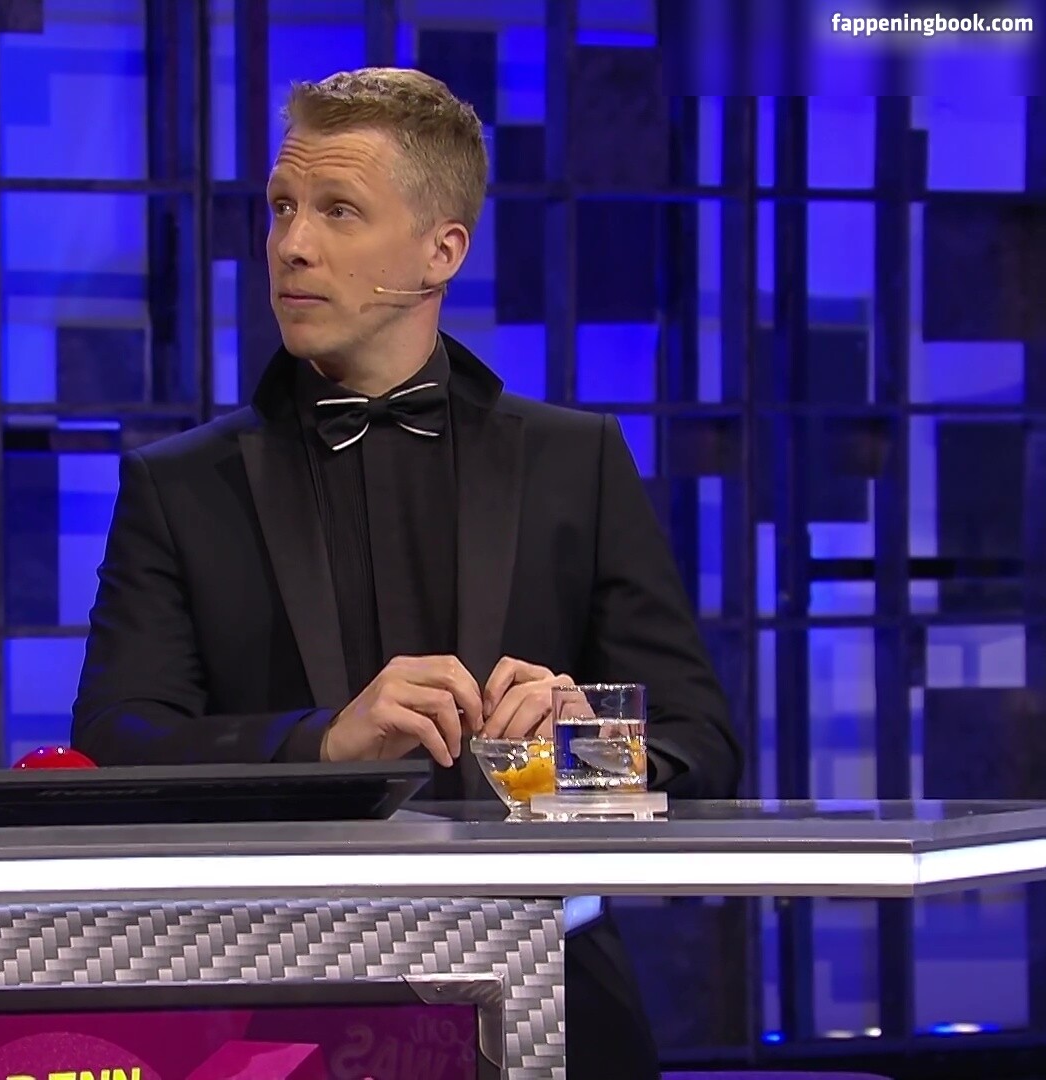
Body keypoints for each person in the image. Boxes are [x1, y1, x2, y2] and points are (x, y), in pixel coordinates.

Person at [70, 68, 740, 1079]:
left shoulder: (575, 462)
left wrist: (572, 756)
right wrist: (323, 745)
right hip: (275, 1006)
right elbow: (118, 742)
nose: (291, 244)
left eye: (338, 210)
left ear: (442, 251)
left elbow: (706, 748)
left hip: (547, 1002)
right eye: (282, 207)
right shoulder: (181, 486)